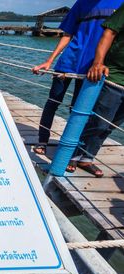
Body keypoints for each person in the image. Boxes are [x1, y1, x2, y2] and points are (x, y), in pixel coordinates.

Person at [31, 0, 123, 155]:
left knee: (79, 109)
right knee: (53, 101)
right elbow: (68, 34)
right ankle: (42, 140)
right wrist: (49, 60)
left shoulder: (120, 4)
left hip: (92, 67)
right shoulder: (82, 3)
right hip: (68, 61)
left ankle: (69, 147)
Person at [68, 4, 124, 177]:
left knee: (113, 125)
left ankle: (87, 158)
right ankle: (72, 153)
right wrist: (98, 62)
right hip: (116, 76)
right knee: (99, 121)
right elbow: (109, 32)